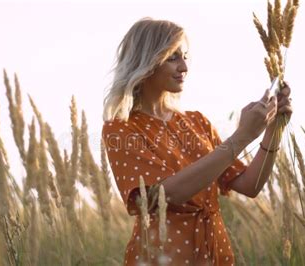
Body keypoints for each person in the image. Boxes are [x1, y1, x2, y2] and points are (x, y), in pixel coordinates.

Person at [101, 17, 292, 266]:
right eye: (173, 57)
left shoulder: (197, 121)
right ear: (146, 62)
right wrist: (242, 137)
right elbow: (168, 194)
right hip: (163, 258)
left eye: (185, 57)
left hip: (215, 252)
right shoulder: (121, 129)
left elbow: (249, 185)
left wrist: (272, 130)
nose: (184, 67)